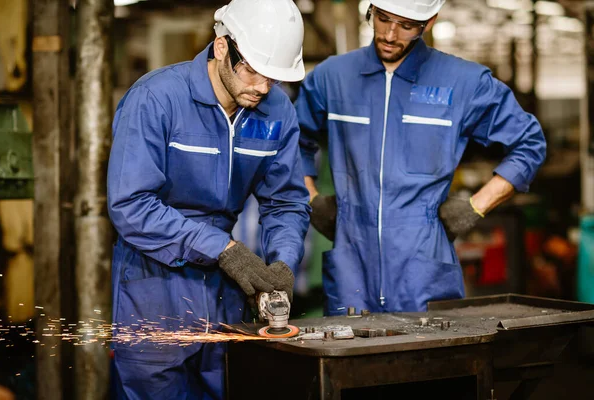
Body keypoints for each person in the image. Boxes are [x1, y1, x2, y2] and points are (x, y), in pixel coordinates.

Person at [107, 0, 310, 398]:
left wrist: (283, 261)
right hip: (153, 284)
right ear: (222, 46)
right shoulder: (156, 99)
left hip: (226, 289)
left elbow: (285, 200)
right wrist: (222, 247)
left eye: (273, 76)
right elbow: (130, 204)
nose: (262, 87)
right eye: (252, 69)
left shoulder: (276, 111)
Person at [296, 0, 546, 315]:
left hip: (423, 266)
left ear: (429, 21)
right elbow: (293, 141)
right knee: (350, 358)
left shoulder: (462, 82)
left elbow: (529, 142)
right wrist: (312, 199)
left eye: (406, 25)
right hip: (351, 264)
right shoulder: (333, 77)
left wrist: (475, 207)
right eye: (382, 18)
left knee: (427, 361)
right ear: (370, 10)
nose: (389, 34)